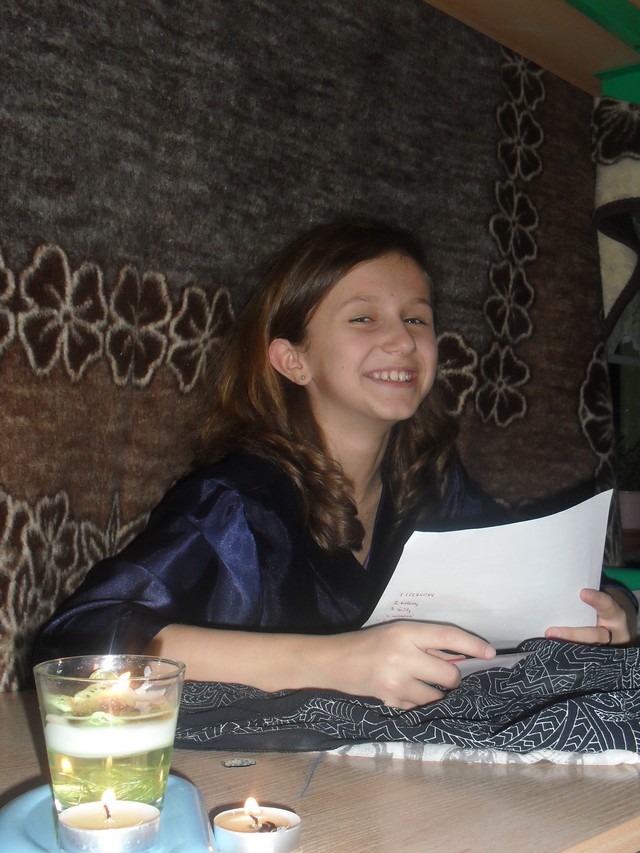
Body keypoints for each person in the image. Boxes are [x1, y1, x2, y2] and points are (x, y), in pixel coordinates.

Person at [33, 218, 637, 710]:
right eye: (364, 318)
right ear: (293, 360)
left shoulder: (433, 483)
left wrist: (611, 609)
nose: (403, 340)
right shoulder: (235, 503)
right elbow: (75, 646)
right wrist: (334, 661)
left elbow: (526, 581)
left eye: (417, 318)